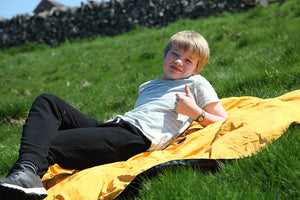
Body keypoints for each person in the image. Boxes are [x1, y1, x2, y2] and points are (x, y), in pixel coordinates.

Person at [0, 30, 228, 199]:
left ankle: (22, 182)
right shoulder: (149, 85)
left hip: (135, 138)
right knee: (48, 101)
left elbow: (222, 120)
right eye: (175, 53)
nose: (179, 61)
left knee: (49, 142)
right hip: (115, 127)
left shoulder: (196, 82)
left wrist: (195, 112)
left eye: (188, 60)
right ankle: (24, 177)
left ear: (197, 68)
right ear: (165, 55)